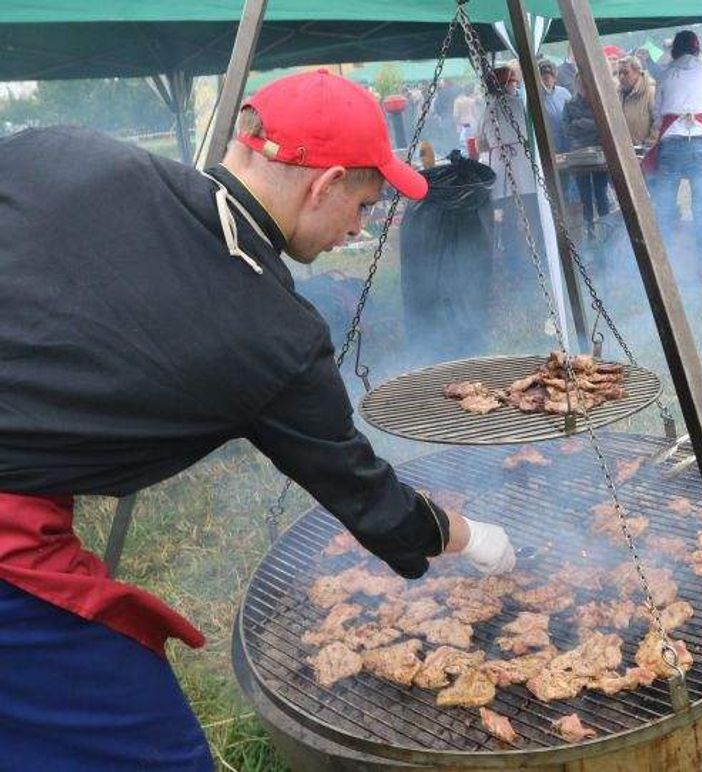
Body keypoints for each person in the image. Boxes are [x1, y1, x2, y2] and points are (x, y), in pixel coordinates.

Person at [0, 69, 517, 768]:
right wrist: (472, 536)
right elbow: (373, 503)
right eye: (363, 205)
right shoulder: (273, 335)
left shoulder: (69, 152)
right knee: (153, 750)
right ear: (323, 183)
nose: (358, 229)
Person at [645, 30, 702, 275]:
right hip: (701, 144)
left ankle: (663, 266)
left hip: (672, 145)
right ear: (696, 49)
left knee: (665, 205)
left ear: (675, 50)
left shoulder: (666, 75)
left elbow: (657, 116)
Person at [476, 65, 544, 285]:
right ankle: (537, 261)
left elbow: (480, 144)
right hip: (522, 173)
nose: (516, 86)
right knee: (532, 219)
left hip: (503, 172)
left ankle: (516, 268)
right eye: (514, 82)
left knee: (508, 223)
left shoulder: (488, 110)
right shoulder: (519, 105)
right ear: (507, 85)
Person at [562, 75, 612, 240]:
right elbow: (567, 130)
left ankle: (606, 229)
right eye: (580, 84)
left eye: (585, 84)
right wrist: (590, 124)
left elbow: (603, 126)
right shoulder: (569, 104)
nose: (583, 87)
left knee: (601, 192)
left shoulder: (598, 101)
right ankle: (589, 231)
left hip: (599, 154)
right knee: (584, 196)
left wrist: (581, 122)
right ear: (576, 85)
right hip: (579, 155)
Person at [617, 55, 657, 147]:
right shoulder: (616, 94)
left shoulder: (651, 93)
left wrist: (649, 144)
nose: (621, 77)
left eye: (626, 73)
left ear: (638, 73)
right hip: (622, 150)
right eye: (619, 73)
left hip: (643, 152)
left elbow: (659, 123)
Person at [537, 59, 572, 152]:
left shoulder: (564, 93)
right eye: (543, 76)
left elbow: (573, 114)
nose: (547, 78)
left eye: (550, 76)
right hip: (550, 148)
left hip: (569, 145)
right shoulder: (535, 98)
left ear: (555, 78)